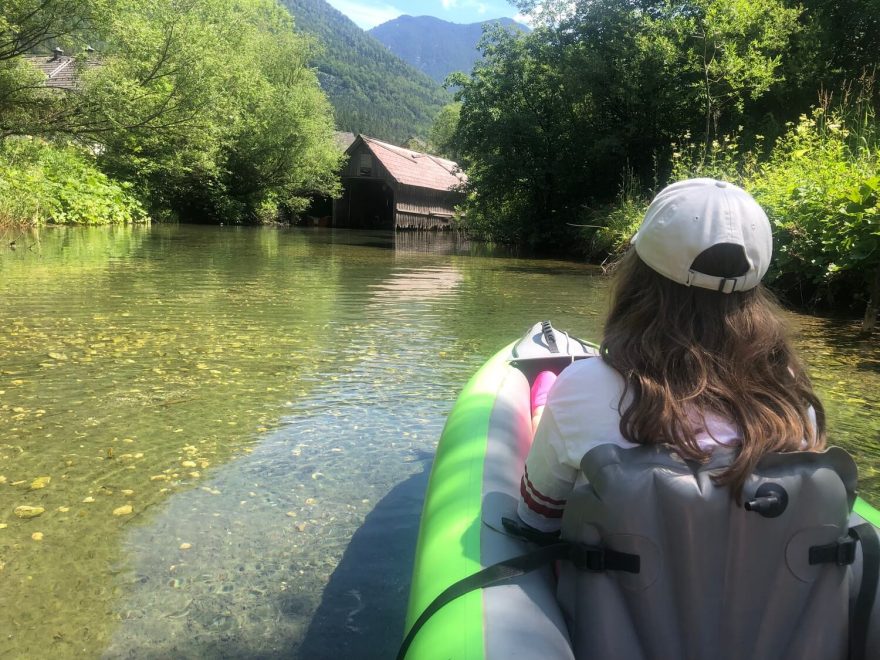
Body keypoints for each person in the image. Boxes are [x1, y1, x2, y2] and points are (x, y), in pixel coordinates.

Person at [517, 177, 825, 532]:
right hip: (766, 584)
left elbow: (537, 518)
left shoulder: (584, 387)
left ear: (637, 274)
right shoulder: (790, 398)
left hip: (628, 588)